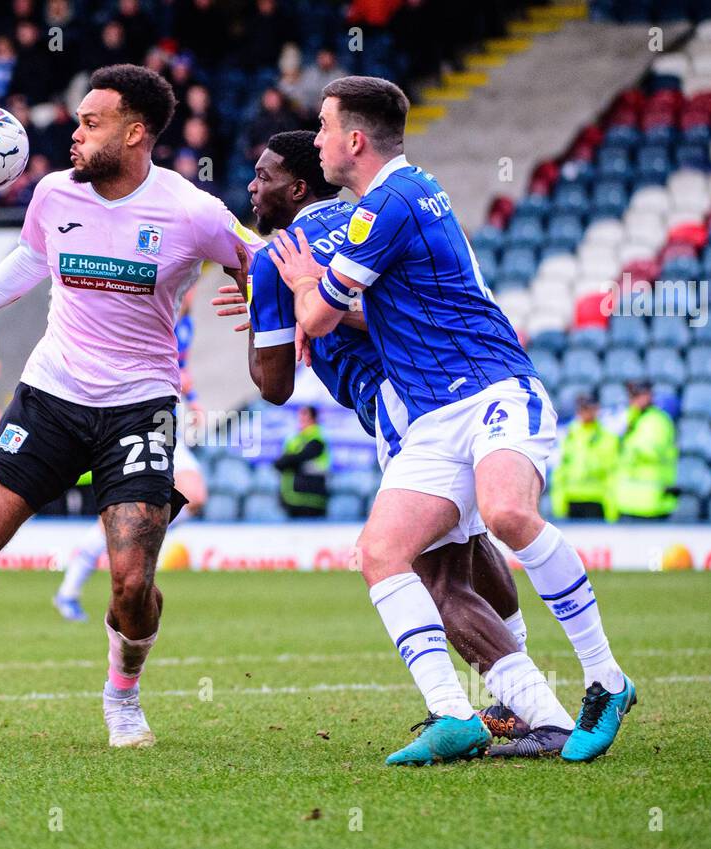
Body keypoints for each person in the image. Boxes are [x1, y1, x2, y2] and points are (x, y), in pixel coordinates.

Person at [267, 77, 634, 764]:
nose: (314, 140)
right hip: (435, 418)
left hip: (493, 388)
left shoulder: (387, 205)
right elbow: (375, 308)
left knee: (506, 516)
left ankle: (607, 680)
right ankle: (453, 713)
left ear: (353, 139)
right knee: (382, 554)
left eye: (321, 126)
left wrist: (293, 284)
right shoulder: (401, 199)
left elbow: (316, 316)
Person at [0, 65, 260, 748]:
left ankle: (121, 697)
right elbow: (31, 257)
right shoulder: (54, 194)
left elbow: (261, 261)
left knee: (131, 581)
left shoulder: (192, 212)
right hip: (51, 394)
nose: (74, 133)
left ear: (134, 132)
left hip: (140, 406)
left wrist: (262, 295)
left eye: (89, 123)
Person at [212, 131, 573, 755]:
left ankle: (528, 713)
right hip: (461, 382)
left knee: (435, 578)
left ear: (298, 187)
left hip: (403, 406)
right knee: (467, 545)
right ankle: (515, 703)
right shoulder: (372, 213)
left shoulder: (278, 257)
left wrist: (265, 304)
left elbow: (272, 386)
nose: (252, 184)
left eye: (265, 175)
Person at [53, 286, 209, 623]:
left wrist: (191, 396)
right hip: (139, 421)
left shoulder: (186, 326)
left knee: (193, 496)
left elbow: (182, 369)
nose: (194, 292)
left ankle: (133, 536)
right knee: (120, 518)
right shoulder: (154, 318)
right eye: (190, 285)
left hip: (168, 424)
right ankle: (69, 589)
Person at [551, 392, 619, 521]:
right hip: (572, 499)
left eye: (590, 408)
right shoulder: (568, 436)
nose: (587, 412)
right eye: (583, 408)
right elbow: (560, 472)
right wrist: (559, 504)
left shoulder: (608, 438)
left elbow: (612, 474)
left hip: (597, 500)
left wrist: (612, 508)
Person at [616, 379, 677, 521]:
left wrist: (628, 447)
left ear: (648, 395)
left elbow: (652, 451)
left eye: (637, 395)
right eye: (631, 395)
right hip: (628, 502)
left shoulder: (658, 420)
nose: (633, 400)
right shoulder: (630, 418)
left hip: (652, 503)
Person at [274, 404, 329, 517]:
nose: (301, 419)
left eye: (305, 415)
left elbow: (296, 458)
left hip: (311, 499)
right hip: (293, 497)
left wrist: (287, 461)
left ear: (314, 418)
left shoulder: (317, 438)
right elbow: (283, 462)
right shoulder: (296, 439)